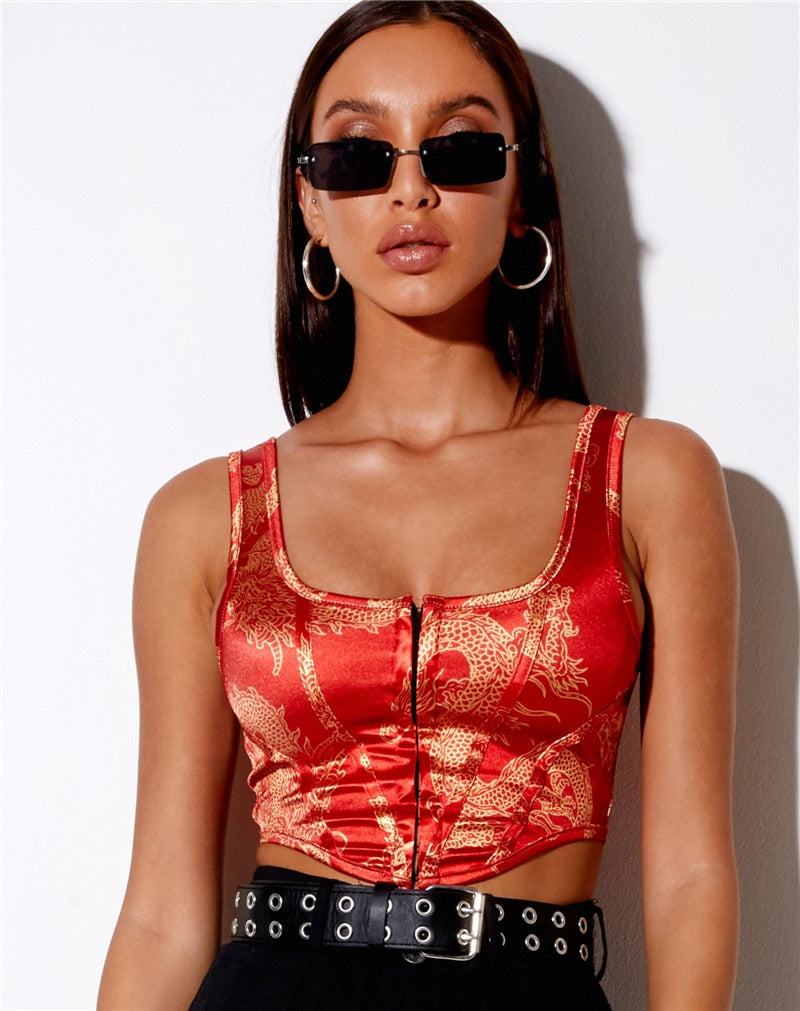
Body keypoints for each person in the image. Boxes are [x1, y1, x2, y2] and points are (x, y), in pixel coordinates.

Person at [98, 2, 739, 1008]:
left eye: (460, 149)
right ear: (310, 203)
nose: (410, 188)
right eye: (358, 156)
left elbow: (692, 875)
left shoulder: (648, 480)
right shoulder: (203, 517)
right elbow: (160, 913)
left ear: (521, 190)